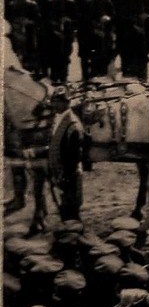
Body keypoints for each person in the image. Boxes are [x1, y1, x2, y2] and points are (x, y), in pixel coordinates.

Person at [48, 88, 88, 224]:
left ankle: (75, 237)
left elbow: (74, 156)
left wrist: (65, 177)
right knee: (65, 211)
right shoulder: (60, 119)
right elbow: (56, 145)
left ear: (67, 103)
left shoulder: (73, 125)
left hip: (69, 176)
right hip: (62, 174)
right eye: (53, 101)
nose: (53, 105)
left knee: (71, 213)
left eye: (57, 102)